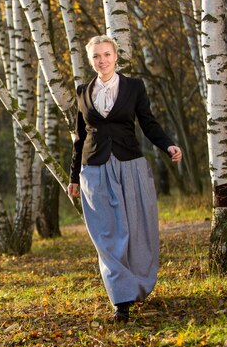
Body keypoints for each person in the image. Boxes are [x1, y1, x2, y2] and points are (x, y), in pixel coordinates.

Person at [67, 35, 182, 323]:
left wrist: (167, 145)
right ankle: (121, 301)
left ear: (116, 57)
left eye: (106, 54)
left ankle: (138, 284)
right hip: (93, 169)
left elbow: (148, 122)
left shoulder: (133, 87)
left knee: (136, 230)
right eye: (96, 56)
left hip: (129, 165)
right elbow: (79, 139)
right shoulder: (82, 92)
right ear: (91, 60)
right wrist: (73, 177)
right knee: (106, 236)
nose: (102, 60)